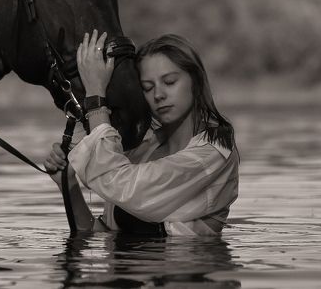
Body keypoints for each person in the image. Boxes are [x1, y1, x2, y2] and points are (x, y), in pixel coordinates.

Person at [44, 30, 239, 235]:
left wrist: (95, 96)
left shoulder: (214, 153)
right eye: (147, 87)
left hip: (186, 265)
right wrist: (69, 185)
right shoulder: (142, 150)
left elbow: (119, 183)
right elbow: (101, 234)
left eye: (170, 82)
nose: (158, 95)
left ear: (196, 83)